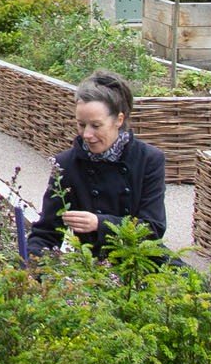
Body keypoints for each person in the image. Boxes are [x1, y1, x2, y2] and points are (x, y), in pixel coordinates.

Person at [27, 72, 169, 259]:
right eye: (81, 124)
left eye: (96, 125)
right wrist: (30, 262)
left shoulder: (149, 160)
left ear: (119, 120)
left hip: (142, 262)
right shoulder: (65, 165)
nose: (86, 134)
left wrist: (99, 223)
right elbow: (47, 232)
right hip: (91, 266)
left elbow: (153, 229)